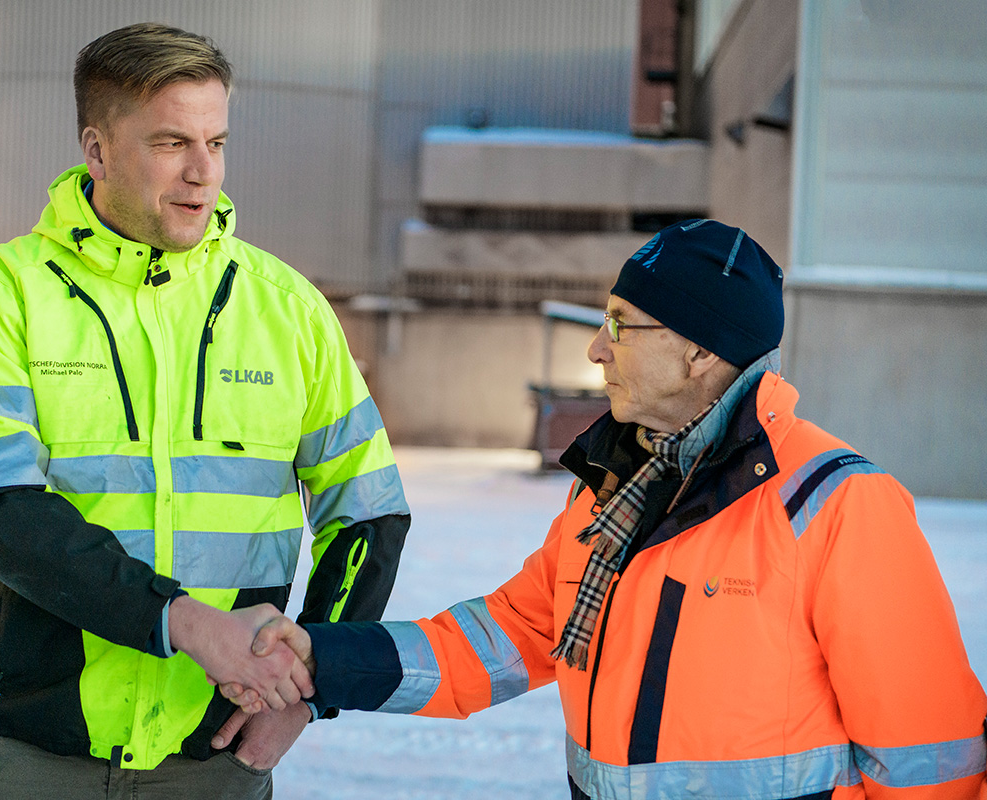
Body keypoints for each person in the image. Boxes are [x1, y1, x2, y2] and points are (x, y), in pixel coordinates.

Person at [227, 219, 987, 799]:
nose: (597, 348)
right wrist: (324, 658)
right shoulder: (615, 486)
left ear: (701, 352)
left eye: (622, 325)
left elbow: (931, 757)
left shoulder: (836, 505)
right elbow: (509, 638)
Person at [0, 22, 410, 800]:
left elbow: (369, 513)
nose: (202, 173)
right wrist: (188, 623)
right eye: (171, 143)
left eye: (216, 143)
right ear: (97, 150)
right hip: (29, 753)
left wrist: (316, 685)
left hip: (216, 757)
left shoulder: (290, 310)